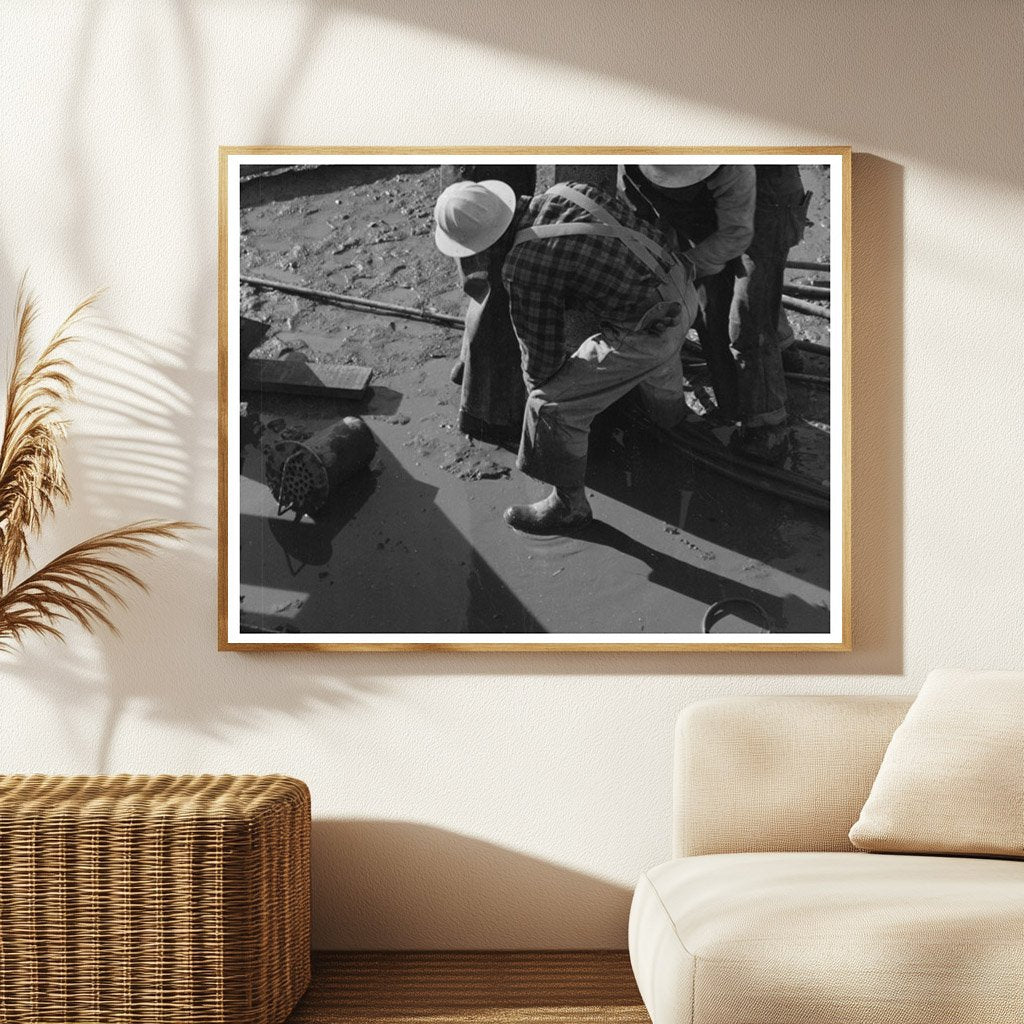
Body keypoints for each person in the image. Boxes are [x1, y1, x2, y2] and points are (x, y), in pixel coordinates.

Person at [433, 178, 700, 534]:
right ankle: (672, 423)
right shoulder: (568, 191)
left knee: (549, 406)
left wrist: (540, 398)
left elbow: (541, 362)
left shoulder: (523, 264)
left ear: (484, 246)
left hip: (650, 330)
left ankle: (568, 506)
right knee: (659, 363)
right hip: (682, 292)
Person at [618, 164, 756, 423]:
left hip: (729, 225)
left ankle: (732, 410)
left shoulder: (734, 170)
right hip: (673, 222)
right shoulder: (634, 164)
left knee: (720, 317)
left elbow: (736, 234)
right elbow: (637, 217)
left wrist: (685, 265)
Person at [441, 165, 537, 445]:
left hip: (477, 170)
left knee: (484, 278)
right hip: (491, 171)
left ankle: (469, 369)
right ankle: (487, 415)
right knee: (498, 287)